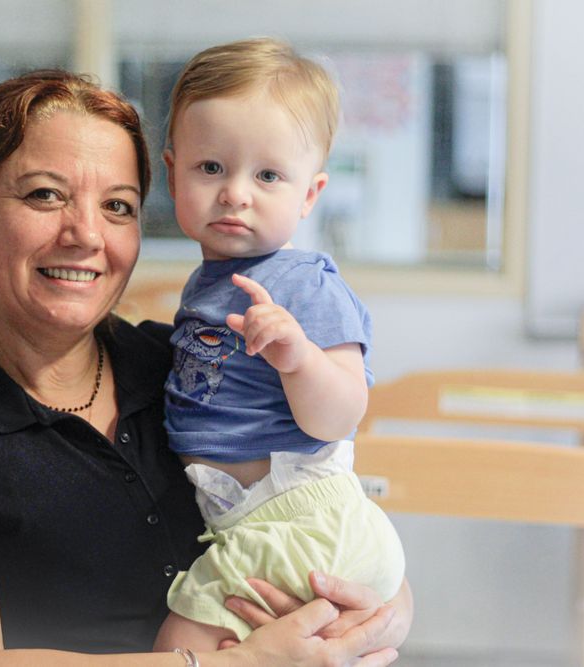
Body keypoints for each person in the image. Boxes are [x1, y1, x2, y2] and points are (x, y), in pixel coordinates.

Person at [0, 68, 412, 666]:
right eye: (45, 194)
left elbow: (338, 522)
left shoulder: (190, 368)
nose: (86, 233)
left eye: (118, 206)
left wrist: (384, 614)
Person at [153, 38, 406, 652]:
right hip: (253, 519)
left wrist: (299, 358)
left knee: (175, 649)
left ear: (310, 194)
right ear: (172, 171)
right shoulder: (207, 284)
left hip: (298, 516)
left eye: (267, 175)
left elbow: (343, 413)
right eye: (211, 167)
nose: (236, 192)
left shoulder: (302, 284)